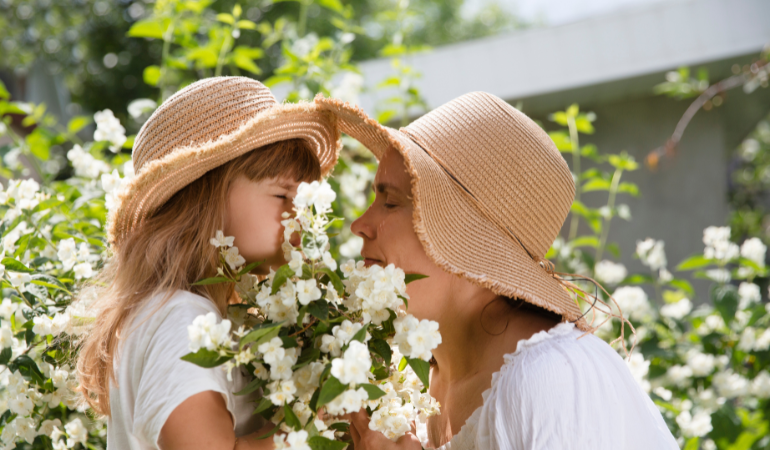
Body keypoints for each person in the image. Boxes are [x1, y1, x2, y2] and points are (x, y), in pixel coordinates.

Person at [315, 92, 678, 449]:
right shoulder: (411, 383)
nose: (359, 224)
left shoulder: (552, 378)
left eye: (390, 201)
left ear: (461, 233)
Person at [76, 77, 340, 450]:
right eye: (282, 194)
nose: (298, 214)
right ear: (206, 200)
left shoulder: (186, 313)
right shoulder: (180, 318)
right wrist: (322, 420)